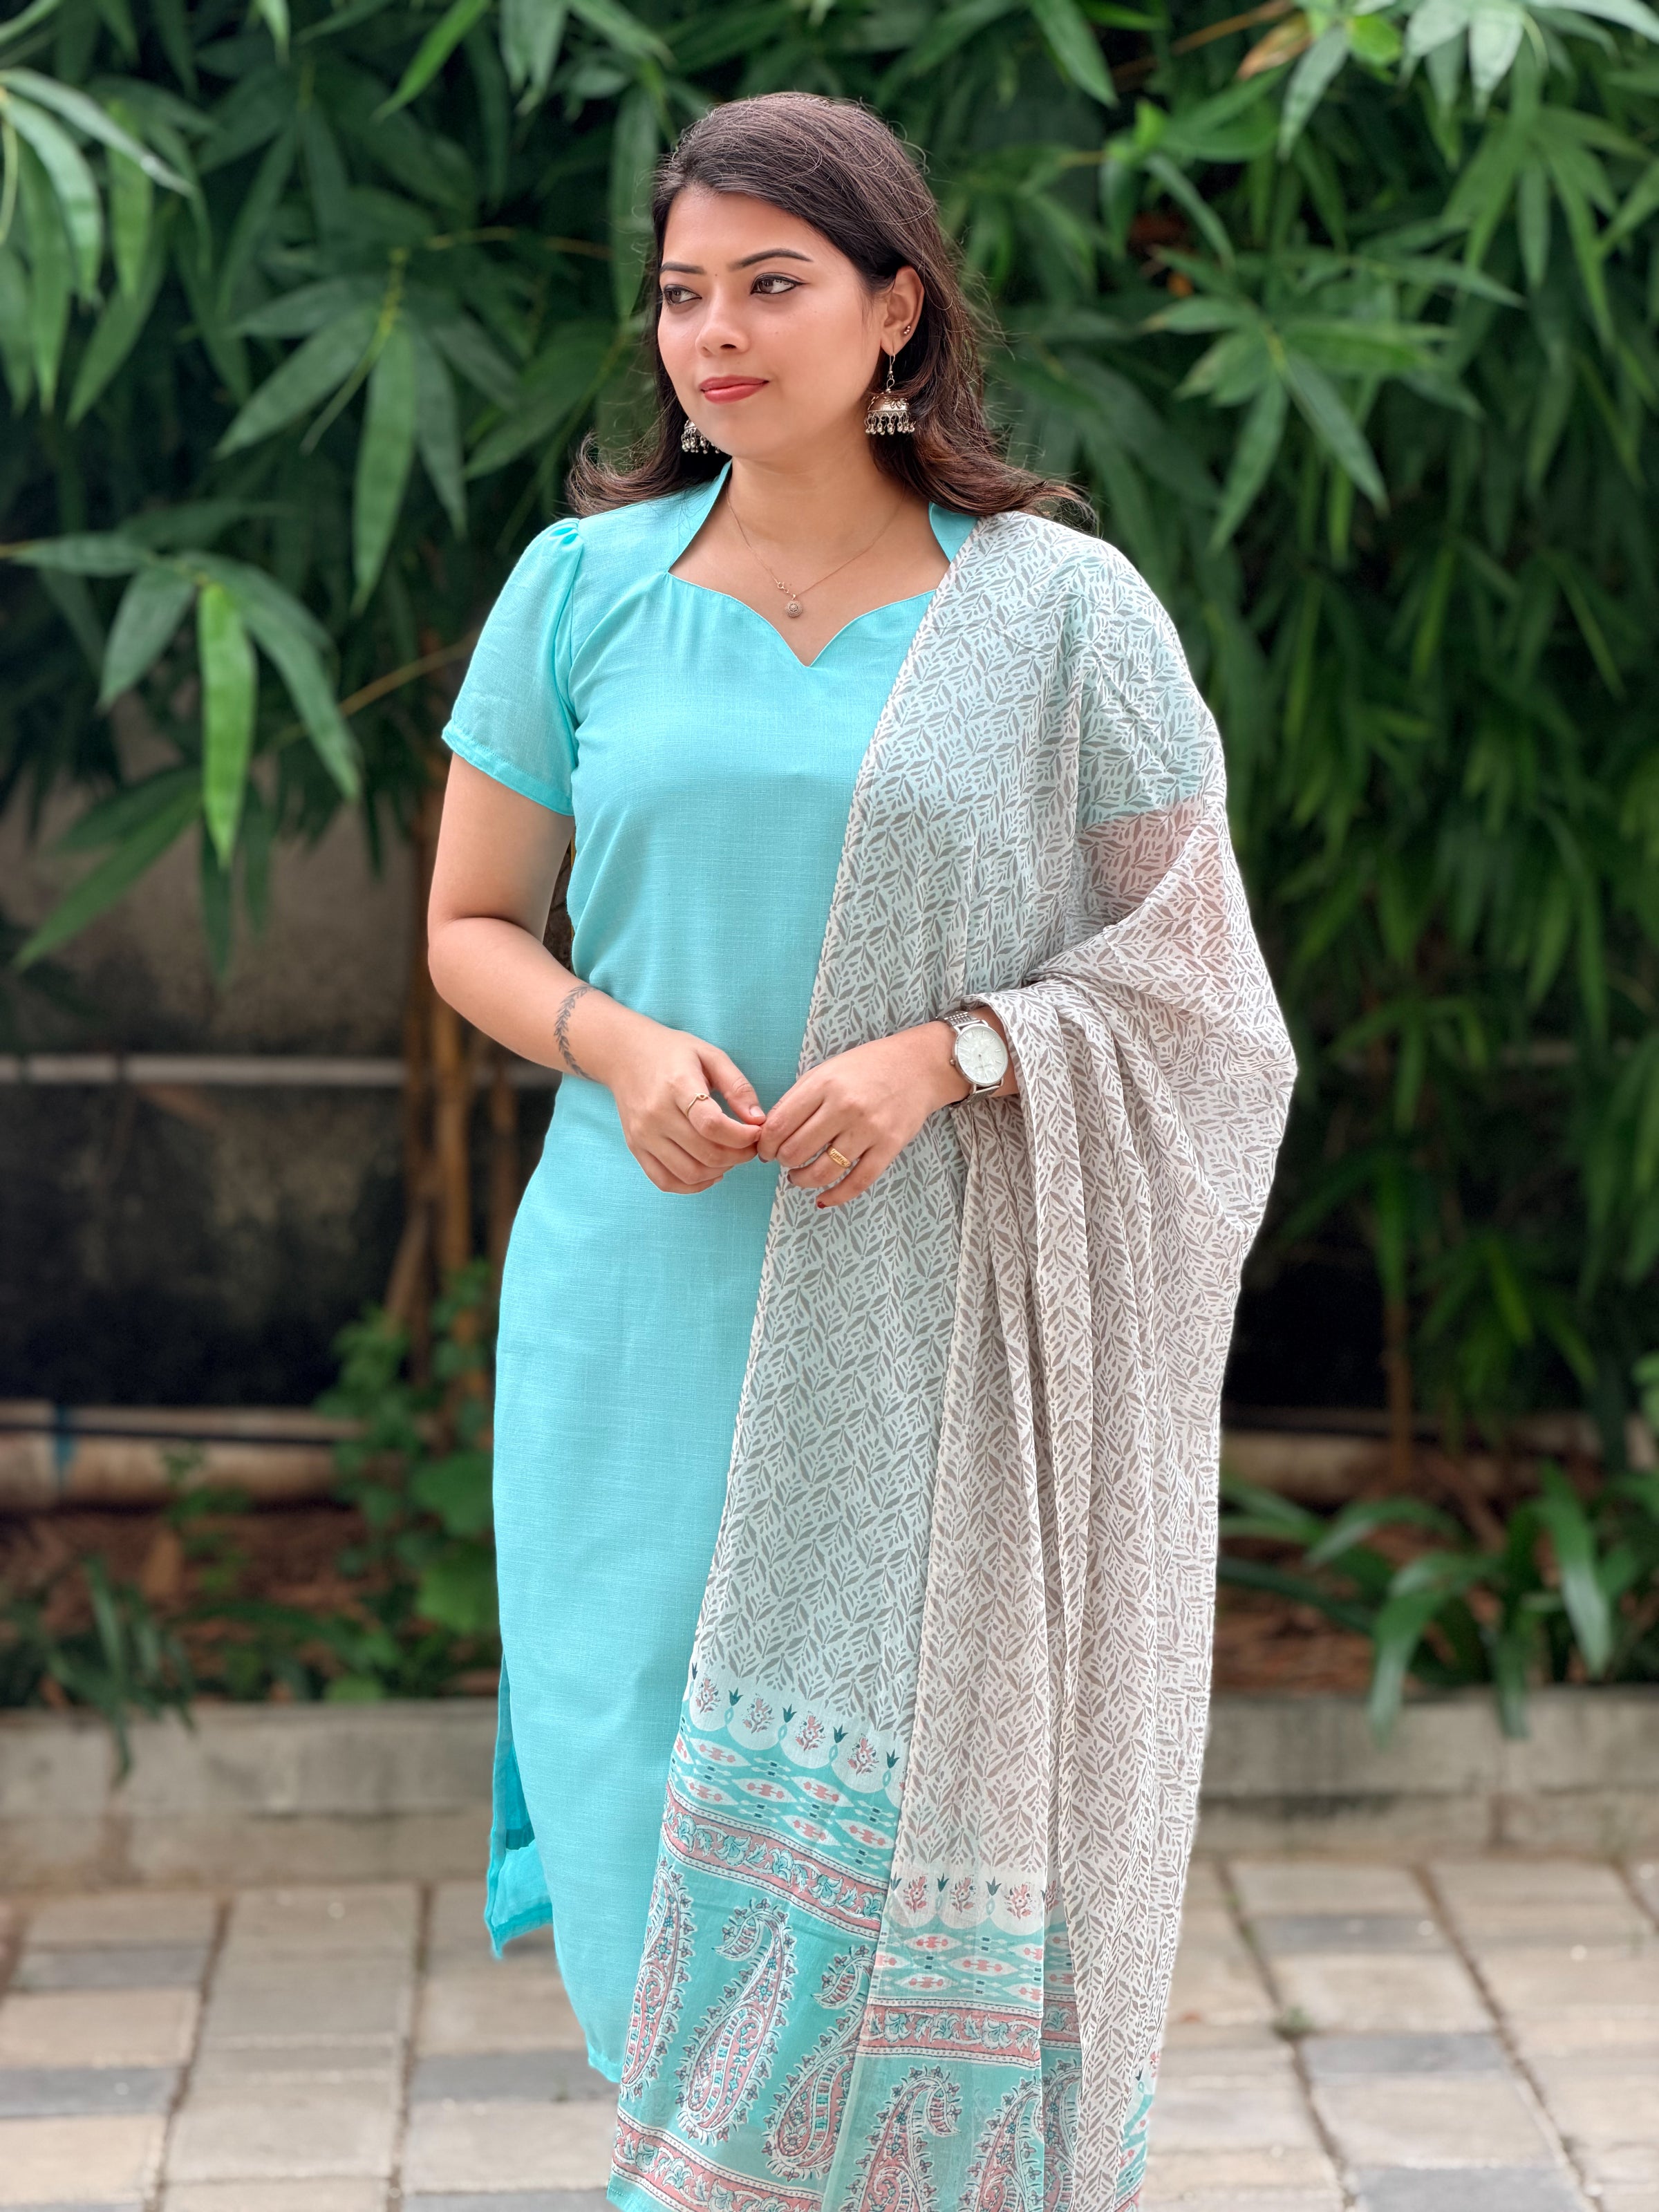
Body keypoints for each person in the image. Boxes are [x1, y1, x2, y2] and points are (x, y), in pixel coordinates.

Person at [428, 88, 1294, 2212]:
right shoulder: (582, 590)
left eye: (771, 286)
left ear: (897, 309)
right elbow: (471, 928)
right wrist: (617, 1044)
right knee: (644, 1809)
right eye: (680, 295)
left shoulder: (1062, 614)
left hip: (931, 1336)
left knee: (909, 1824)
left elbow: (1198, 994)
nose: (713, 336)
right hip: (638, 1312)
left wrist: (954, 1056)